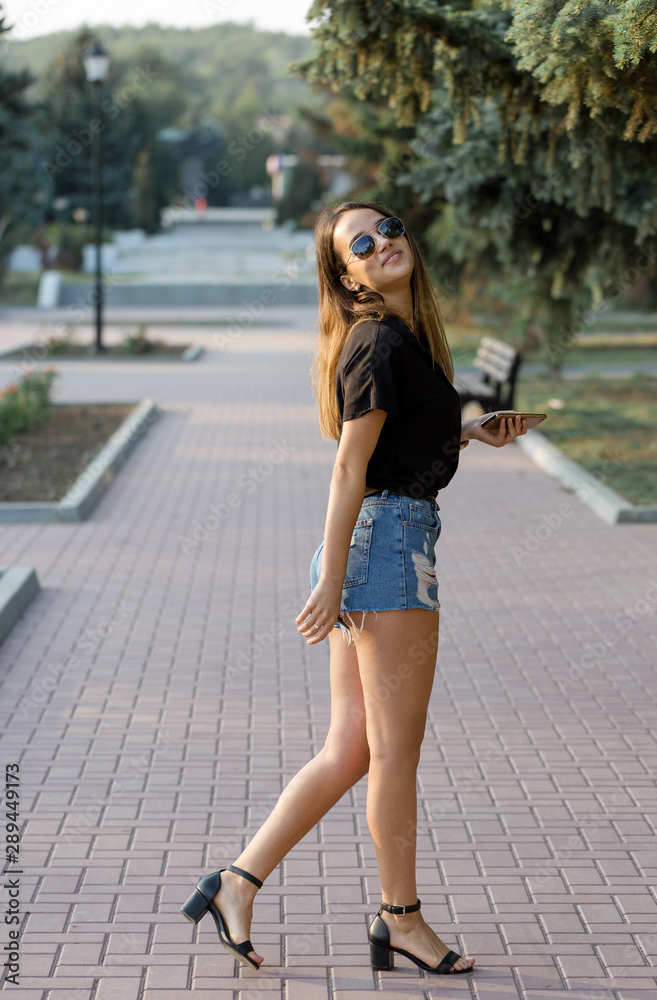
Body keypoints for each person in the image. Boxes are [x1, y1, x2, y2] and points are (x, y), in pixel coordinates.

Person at [181, 200, 527, 975]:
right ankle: (399, 919)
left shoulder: (400, 340)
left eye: (389, 227)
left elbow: (395, 448)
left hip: (382, 544)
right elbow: (349, 465)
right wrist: (334, 577)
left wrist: (469, 431)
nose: (383, 243)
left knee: (350, 748)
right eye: (360, 244)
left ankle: (235, 883)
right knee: (393, 753)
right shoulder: (375, 340)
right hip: (386, 552)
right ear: (346, 274)